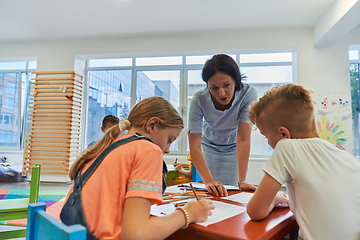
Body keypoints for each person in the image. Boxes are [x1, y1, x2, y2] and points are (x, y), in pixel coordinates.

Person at [60, 96, 215, 240]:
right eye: (169, 140)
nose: (167, 149)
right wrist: (188, 213)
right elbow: (136, 235)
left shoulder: (109, 145)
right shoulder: (149, 149)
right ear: (152, 125)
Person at [246, 84, 360, 240]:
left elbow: (255, 211)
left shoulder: (287, 146)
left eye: (266, 136)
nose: (267, 143)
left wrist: (278, 198)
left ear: (283, 134)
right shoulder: (351, 160)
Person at [188, 54, 258, 197]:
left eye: (226, 85)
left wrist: (242, 180)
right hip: (209, 145)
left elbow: (243, 138)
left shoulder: (248, 93)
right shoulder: (198, 99)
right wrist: (208, 181)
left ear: (236, 81)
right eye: (214, 87)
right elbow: (194, 146)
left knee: (232, 191)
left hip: (234, 146)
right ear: (207, 85)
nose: (221, 93)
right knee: (211, 191)